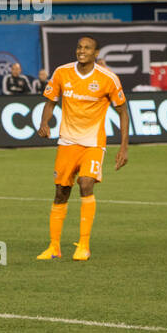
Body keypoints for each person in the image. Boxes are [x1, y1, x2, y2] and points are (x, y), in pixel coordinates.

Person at [36, 36, 129, 261]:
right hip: (67, 142)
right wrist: (44, 122)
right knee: (61, 192)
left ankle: (84, 245)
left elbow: (123, 112)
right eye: (79, 46)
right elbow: (50, 101)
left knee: (86, 183)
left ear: (96, 53)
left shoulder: (108, 79)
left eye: (87, 48)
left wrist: (124, 147)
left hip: (93, 143)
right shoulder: (62, 72)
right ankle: (54, 247)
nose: (81, 50)